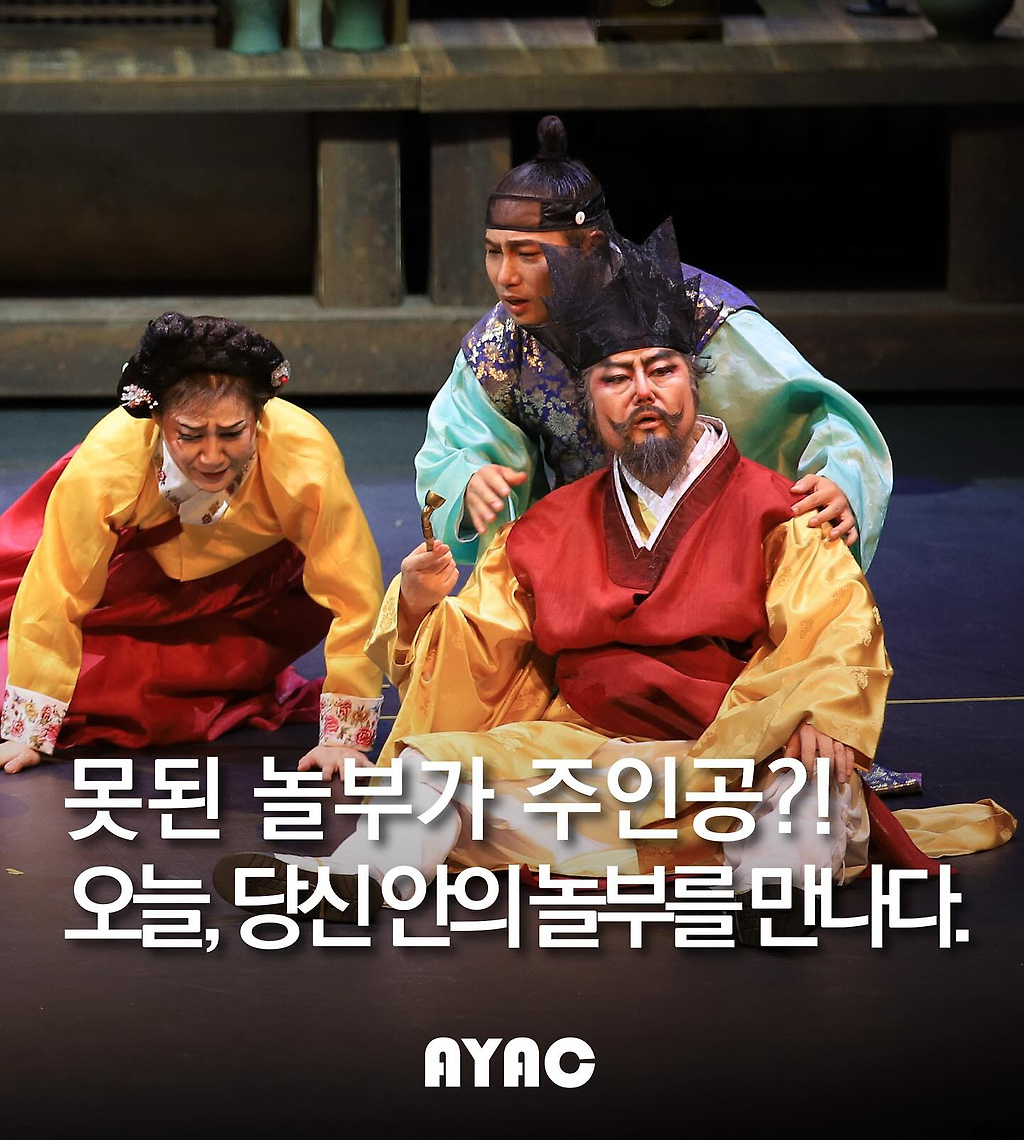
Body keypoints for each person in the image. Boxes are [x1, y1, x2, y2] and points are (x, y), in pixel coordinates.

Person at [216, 224, 1011, 939]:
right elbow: (478, 650)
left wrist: (822, 709)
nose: (643, 395)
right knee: (432, 766)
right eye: (616, 378)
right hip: (599, 762)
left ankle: (769, 891)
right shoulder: (549, 526)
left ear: (694, 380)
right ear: (589, 402)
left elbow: (836, 627)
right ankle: (356, 878)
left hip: (739, 758)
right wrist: (422, 606)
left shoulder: (778, 509)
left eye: (661, 370)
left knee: (809, 780)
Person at [416, 114, 892, 572]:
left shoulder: (695, 313)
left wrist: (840, 480)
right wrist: (470, 482)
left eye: (528, 254)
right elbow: (453, 446)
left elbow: (822, 415)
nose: (505, 277)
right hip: (587, 553)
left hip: (715, 541)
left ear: (589, 246)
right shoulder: (502, 347)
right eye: (493, 252)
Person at [0, 312, 383, 774]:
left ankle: (228, 683)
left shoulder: (305, 460)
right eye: (190, 435)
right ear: (157, 420)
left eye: (232, 433)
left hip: (242, 605)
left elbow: (354, 592)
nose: (212, 456)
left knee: (120, 694)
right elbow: (56, 589)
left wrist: (343, 737)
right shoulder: (108, 464)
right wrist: (28, 731)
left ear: (259, 417)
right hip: (119, 586)